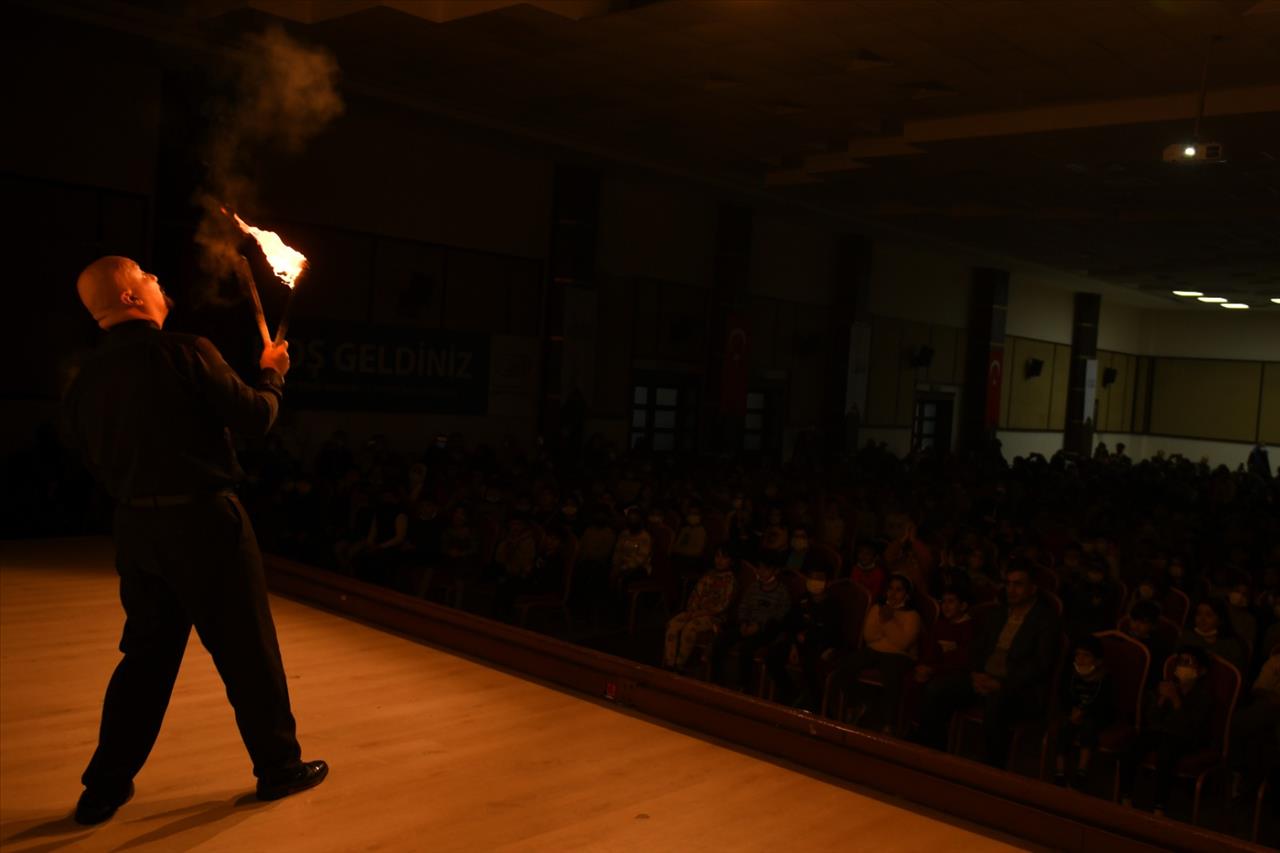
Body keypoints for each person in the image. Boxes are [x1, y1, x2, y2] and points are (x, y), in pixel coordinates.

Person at [62, 257, 326, 825]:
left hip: (136, 530)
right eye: (146, 275)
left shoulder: (85, 378)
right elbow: (256, 418)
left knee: (144, 661)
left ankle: (103, 789)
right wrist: (273, 373)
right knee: (248, 651)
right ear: (132, 297)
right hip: (205, 524)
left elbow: (88, 457)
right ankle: (279, 767)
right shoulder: (187, 350)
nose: (159, 278)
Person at [916, 562, 1061, 767]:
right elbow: (978, 648)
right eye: (1008, 584)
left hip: (1018, 688)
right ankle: (930, 755)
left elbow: (1040, 665)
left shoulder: (1046, 620)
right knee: (937, 688)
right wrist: (976, 673)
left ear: (1033, 588)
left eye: (1018, 584)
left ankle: (990, 768)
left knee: (996, 701)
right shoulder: (999, 613)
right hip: (984, 678)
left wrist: (1001, 683)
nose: (1011, 590)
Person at [1118, 646, 1216, 816]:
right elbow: (1152, 719)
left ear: (1201, 671)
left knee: (1166, 753)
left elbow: (1191, 727)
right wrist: (1162, 699)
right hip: (1161, 732)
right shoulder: (1168, 686)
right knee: (1135, 744)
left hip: (1185, 738)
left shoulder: (1204, 697)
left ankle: (1159, 806)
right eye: (1180, 662)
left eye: (1188, 663)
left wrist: (1176, 700)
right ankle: (1125, 796)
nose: (1182, 666)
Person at [834, 573, 922, 732]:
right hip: (875, 650)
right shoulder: (877, 608)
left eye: (899, 590)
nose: (893, 594)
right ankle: (856, 704)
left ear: (906, 594)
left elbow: (903, 643)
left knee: (891, 674)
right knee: (847, 664)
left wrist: (887, 621)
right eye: (890, 589)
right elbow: (869, 636)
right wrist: (888, 626)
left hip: (899, 656)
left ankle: (888, 723)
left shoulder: (912, 616)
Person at [767, 567, 843, 711]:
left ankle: (816, 708)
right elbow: (790, 623)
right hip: (797, 643)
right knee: (773, 655)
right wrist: (794, 645)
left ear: (828, 582)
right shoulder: (802, 599)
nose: (814, 582)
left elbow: (831, 633)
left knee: (810, 665)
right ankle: (792, 694)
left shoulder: (833, 605)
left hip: (820, 646)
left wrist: (808, 638)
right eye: (811, 577)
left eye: (819, 579)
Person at [714, 553, 791, 692]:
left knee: (747, 648)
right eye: (759, 568)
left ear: (775, 571)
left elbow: (779, 616)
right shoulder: (754, 587)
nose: (760, 572)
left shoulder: (782, 592)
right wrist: (743, 622)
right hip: (747, 625)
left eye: (765, 569)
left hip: (766, 631)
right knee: (722, 639)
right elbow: (744, 606)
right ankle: (717, 679)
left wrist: (759, 626)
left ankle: (744, 686)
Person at [1052, 635, 1114, 787]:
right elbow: (1064, 694)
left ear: (1097, 660)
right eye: (1078, 654)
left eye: (1086, 655)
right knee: (1065, 728)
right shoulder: (1070, 674)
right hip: (1073, 713)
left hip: (1093, 715)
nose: (1080, 659)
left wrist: (1084, 712)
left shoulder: (1104, 678)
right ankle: (1060, 772)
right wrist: (1072, 711)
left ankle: (1082, 771)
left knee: (1089, 729)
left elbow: (1104, 703)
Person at [662, 545, 737, 671]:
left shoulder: (731, 581)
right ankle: (670, 663)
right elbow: (696, 594)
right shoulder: (708, 575)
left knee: (690, 628)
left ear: (731, 561)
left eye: (724, 557)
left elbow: (722, 605)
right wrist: (692, 610)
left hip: (713, 618)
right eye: (717, 556)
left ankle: (679, 665)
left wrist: (700, 613)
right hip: (695, 612)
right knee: (673, 624)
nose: (719, 560)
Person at [1179, 599, 1248, 672]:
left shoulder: (1231, 646)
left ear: (1220, 620)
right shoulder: (1187, 637)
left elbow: (1233, 675)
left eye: (1209, 615)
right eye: (1198, 614)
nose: (1202, 619)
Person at [1123, 600, 1173, 690]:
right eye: (1134, 620)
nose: (1136, 626)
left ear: (1153, 625)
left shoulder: (1158, 647)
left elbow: (1155, 676)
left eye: (1143, 622)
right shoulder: (1123, 637)